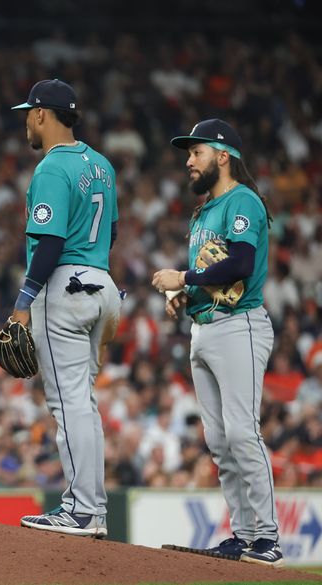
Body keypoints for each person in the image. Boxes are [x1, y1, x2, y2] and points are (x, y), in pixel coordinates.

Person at [152, 118, 282, 566]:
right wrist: (186, 293)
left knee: (243, 434)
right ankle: (243, 535)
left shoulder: (241, 200)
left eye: (197, 152)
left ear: (223, 156)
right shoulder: (206, 210)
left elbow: (242, 263)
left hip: (239, 325)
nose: (189, 161)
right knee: (220, 442)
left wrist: (183, 276)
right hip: (204, 327)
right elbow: (216, 275)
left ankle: (268, 538)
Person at [9, 79, 121, 538]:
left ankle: (81, 509)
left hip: (65, 287)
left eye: (27, 113)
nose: (25, 122)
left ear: (41, 114)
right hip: (102, 284)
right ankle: (92, 507)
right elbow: (111, 231)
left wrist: (23, 302)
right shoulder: (101, 164)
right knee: (84, 402)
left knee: (68, 403)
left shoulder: (52, 167)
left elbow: (51, 240)